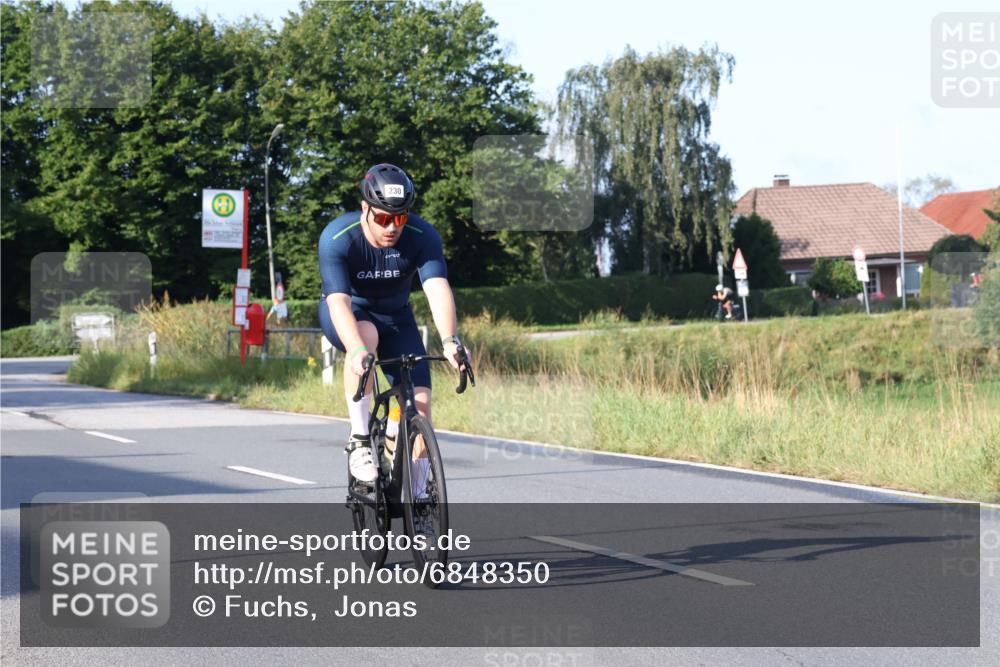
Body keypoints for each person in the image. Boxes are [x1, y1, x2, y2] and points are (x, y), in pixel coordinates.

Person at [317, 163, 465, 491]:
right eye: (383, 218)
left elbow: (437, 286)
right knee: (366, 335)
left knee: (420, 406)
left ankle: (418, 499)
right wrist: (355, 350)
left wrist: (450, 340)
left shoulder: (422, 236)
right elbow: (338, 302)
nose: (392, 227)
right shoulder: (338, 239)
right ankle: (358, 440)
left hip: (397, 318)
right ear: (365, 209)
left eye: (400, 218)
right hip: (349, 315)